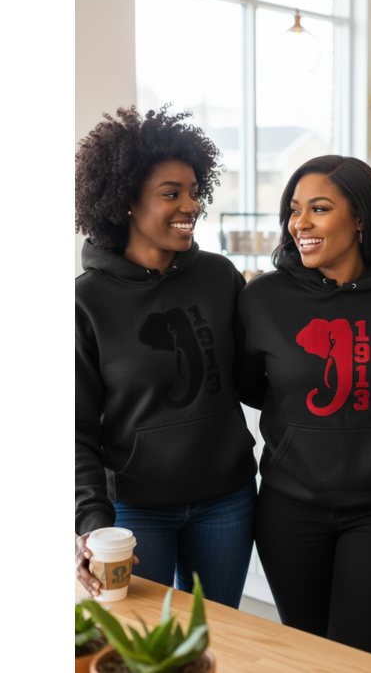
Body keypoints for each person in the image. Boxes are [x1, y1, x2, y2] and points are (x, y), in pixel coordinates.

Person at [237, 155, 371, 658]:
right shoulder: (261, 299)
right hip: (289, 510)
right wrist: (304, 419)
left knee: (359, 661)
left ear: (361, 217)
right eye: (294, 209)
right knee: (308, 656)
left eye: (319, 209)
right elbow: (249, 385)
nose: (299, 223)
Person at [75, 106, 258, 607]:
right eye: (171, 193)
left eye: (194, 191)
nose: (191, 205)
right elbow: (78, 430)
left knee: (215, 633)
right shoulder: (86, 303)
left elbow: (252, 379)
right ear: (125, 202)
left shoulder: (219, 276)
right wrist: (91, 523)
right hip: (136, 510)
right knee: (141, 641)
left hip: (227, 500)